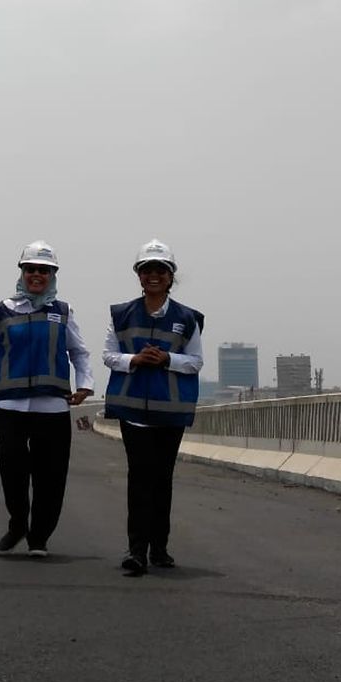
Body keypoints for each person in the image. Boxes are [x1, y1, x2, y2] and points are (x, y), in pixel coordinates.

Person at [0, 240, 94, 558]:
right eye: (31, 270)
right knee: (11, 468)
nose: (37, 275)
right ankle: (17, 526)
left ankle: (39, 536)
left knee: (51, 475)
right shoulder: (1, 312)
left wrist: (85, 385)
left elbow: (79, 352)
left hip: (52, 406)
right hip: (10, 406)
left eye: (44, 270)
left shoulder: (63, 312)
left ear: (53, 275)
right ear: (22, 273)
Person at [103, 239, 204, 576]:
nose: (154, 275)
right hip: (133, 414)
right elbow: (108, 355)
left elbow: (195, 362)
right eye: (147, 270)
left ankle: (160, 548)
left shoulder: (187, 318)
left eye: (160, 270)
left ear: (170, 276)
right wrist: (134, 359)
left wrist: (167, 359)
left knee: (162, 481)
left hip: (170, 413)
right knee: (139, 479)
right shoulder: (121, 314)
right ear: (139, 276)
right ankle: (137, 552)